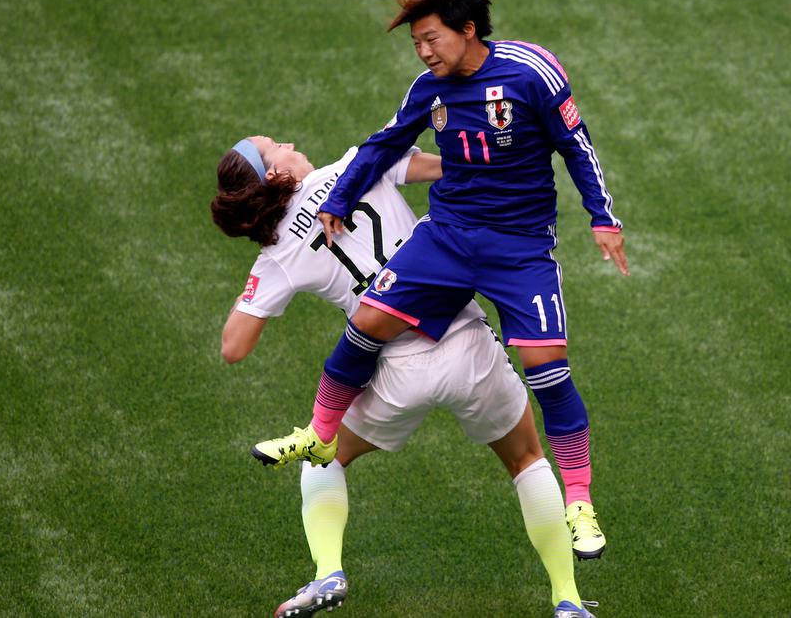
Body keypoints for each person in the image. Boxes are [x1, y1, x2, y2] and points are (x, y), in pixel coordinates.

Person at [255, 0, 625, 561]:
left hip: (519, 247)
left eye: (431, 39)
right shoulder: (429, 89)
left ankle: (579, 502)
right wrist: (341, 198)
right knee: (369, 320)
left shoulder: (533, 71)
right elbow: (386, 144)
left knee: (545, 366)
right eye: (417, 42)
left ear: (468, 29)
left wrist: (602, 217)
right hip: (448, 237)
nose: (424, 52)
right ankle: (320, 435)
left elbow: (575, 146)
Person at [211, 136, 597, 618]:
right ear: (273, 174)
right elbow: (447, 169)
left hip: (394, 368)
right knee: (526, 459)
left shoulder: (278, 255)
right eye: (275, 146)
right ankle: (568, 599)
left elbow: (234, 347)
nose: (288, 142)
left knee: (322, 458)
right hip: (467, 342)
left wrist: (265, 269)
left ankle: (328, 571)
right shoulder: (357, 164)